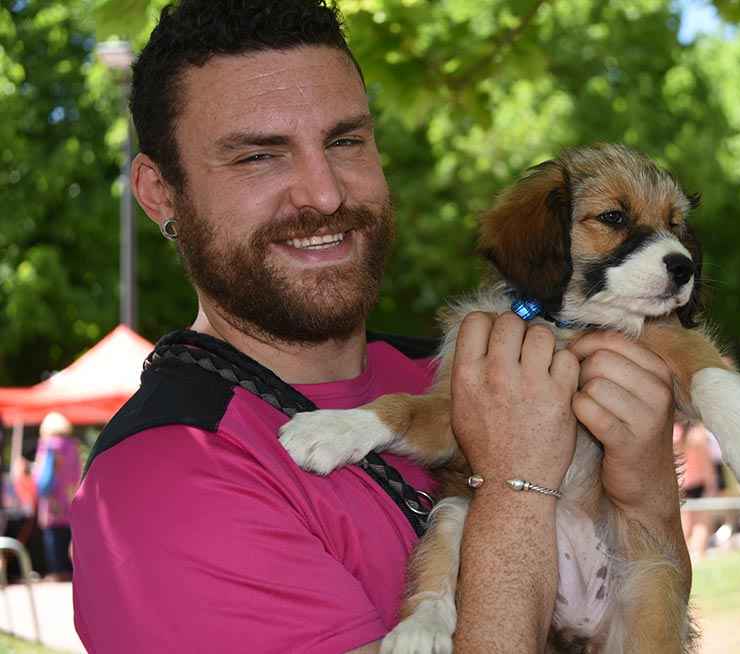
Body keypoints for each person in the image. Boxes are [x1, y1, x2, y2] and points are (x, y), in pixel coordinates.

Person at [69, 1, 689, 652]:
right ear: (160, 193)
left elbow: (645, 609)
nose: (325, 193)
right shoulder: (163, 483)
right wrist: (515, 487)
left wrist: (647, 496)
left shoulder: (454, 368)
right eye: (258, 156)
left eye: (344, 141)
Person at [32, 412, 81, 581]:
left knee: (53, 535)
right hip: (69, 495)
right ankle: (70, 570)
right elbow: (77, 473)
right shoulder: (72, 445)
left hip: (52, 498)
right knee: (69, 535)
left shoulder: (47, 445)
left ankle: (57, 571)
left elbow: (40, 475)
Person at [675, 421, 718, 560]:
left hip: (681, 484)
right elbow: (706, 464)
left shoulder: (674, 433)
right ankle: (698, 555)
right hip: (698, 484)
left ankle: (685, 556)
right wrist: (712, 486)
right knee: (702, 524)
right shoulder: (698, 435)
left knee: (684, 525)